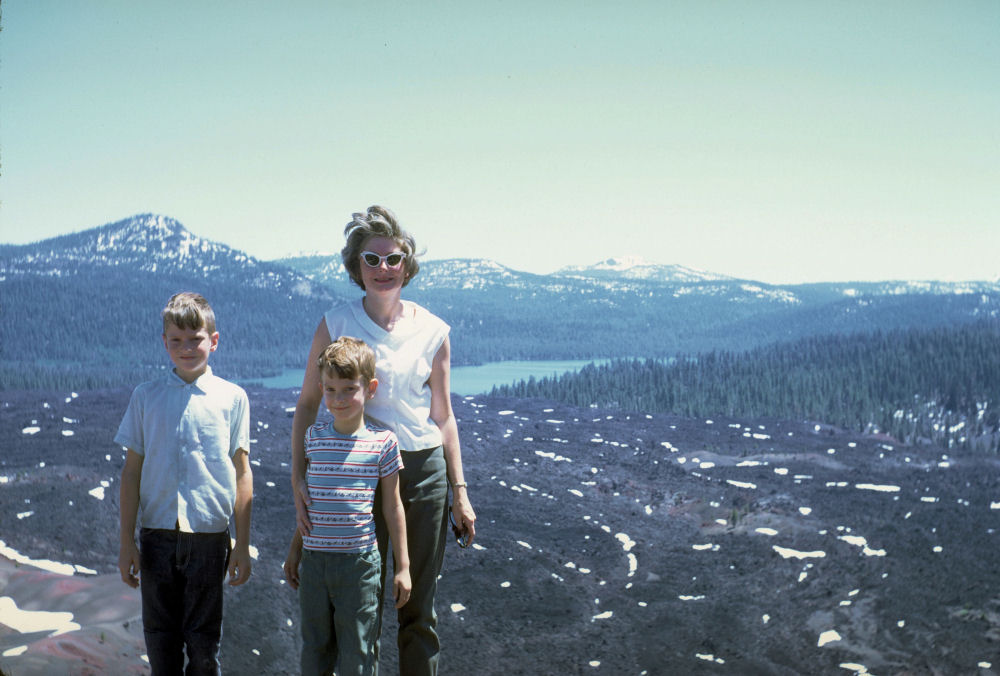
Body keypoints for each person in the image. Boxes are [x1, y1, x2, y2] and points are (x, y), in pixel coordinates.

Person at [291, 205, 476, 676]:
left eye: (392, 259)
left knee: (418, 606)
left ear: (407, 265)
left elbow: (444, 416)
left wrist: (459, 492)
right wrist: (300, 477)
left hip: (421, 473)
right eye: (370, 260)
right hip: (357, 474)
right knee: (362, 606)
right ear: (356, 267)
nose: (383, 269)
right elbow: (308, 405)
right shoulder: (336, 323)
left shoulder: (433, 331)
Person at [116, 292, 253, 676]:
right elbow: (131, 472)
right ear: (164, 342)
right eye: (176, 340)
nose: (186, 348)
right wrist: (127, 541)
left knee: (204, 650)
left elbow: (243, 472)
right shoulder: (146, 397)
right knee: (161, 646)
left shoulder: (233, 398)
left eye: (195, 338)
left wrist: (241, 545)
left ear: (214, 340)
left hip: (210, 537)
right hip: (156, 536)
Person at [283, 337, 412, 676]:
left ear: (370, 388)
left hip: (359, 566)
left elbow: (393, 508)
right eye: (330, 390)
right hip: (314, 564)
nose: (338, 399)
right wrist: (295, 549)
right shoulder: (314, 438)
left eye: (348, 389)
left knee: (359, 654)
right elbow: (311, 503)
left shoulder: (383, 443)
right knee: (315, 653)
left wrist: (403, 567)